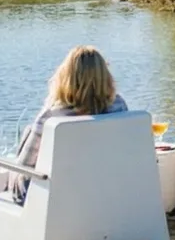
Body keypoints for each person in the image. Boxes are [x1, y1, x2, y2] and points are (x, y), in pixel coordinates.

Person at [11, 46, 127, 202]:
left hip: (55, 199)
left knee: (28, 135)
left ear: (66, 76)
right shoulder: (119, 106)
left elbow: (24, 167)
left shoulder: (52, 115)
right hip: (105, 192)